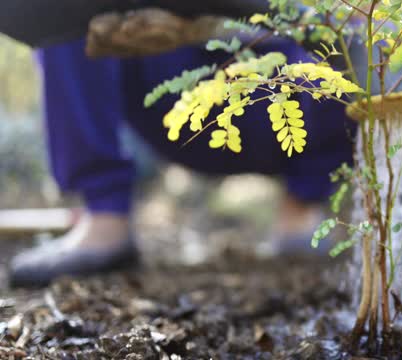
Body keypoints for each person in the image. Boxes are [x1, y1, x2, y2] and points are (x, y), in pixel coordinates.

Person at [8, 10, 356, 287]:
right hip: (173, 85)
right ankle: (105, 216)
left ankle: (301, 205)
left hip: (284, 93)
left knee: (358, 41)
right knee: (66, 12)